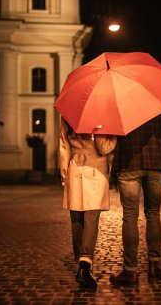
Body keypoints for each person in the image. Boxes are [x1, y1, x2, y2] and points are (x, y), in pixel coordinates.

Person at [109, 106, 161, 284]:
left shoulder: (120, 99)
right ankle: (154, 267)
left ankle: (130, 271)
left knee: (130, 215)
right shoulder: (158, 98)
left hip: (128, 161)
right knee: (153, 213)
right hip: (155, 160)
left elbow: (112, 132)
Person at [59, 118, 117, 289]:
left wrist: (64, 173)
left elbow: (64, 145)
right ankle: (85, 264)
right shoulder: (99, 114)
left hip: (74, 166)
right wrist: (114, 137)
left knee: (76, 218)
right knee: (91, 217)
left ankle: (80, 262)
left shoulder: (68, 114)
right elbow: (103, 147)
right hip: (95, 169)